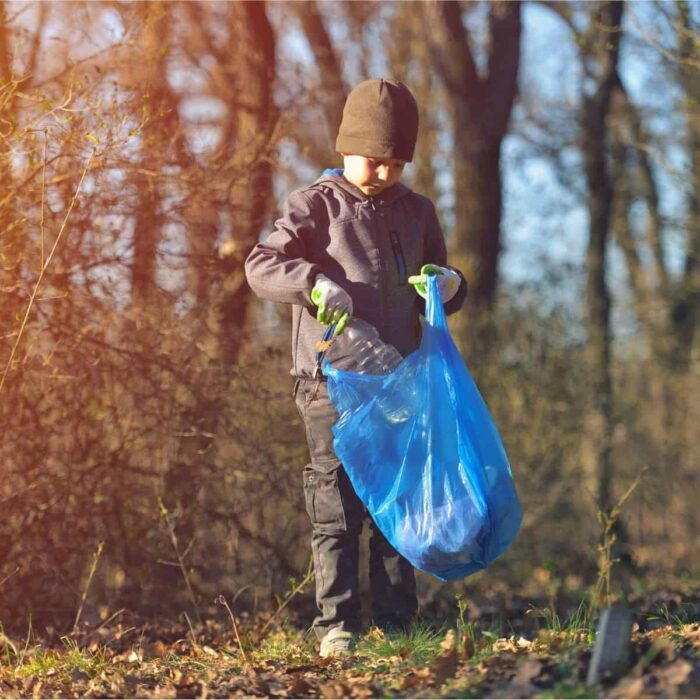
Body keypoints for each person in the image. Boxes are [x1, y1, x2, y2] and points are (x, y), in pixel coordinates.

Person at [244, 78, 468, 657]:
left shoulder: (417, 211)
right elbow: (261, 264)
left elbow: (442, 276)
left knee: (396, 501)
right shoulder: (313, 205)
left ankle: (399, 626)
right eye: (374, 160)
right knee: (337, 502)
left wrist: (449, 284)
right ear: (347, 149)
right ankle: (335, 626)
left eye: (396, 162)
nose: (385, 172)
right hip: (328, 381)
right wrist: (313, 282)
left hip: (399, 378)